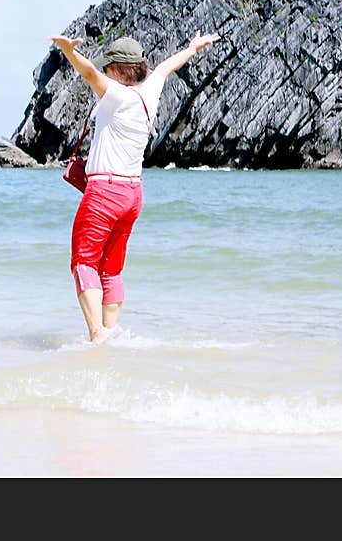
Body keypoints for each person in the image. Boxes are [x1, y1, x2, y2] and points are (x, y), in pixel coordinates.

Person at [49, 32, 220, 343]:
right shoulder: (150, 91)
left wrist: (69, 52)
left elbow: (88, 73)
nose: (105, 72)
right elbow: (168, 66)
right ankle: (111, 335)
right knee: (111, 270)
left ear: (118, 69)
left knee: (84, 261)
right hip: (132, 195)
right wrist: (193, 48)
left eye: (108, 67)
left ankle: (97, 334)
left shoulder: (116, 95)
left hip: (105, 192)